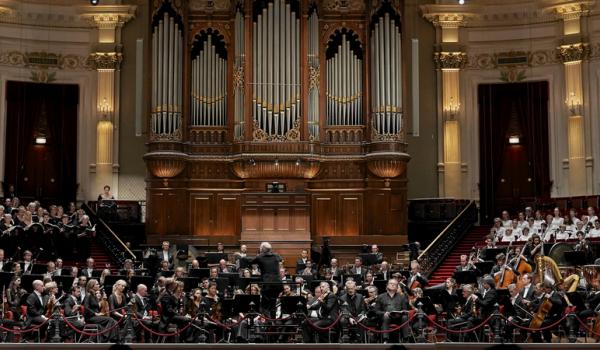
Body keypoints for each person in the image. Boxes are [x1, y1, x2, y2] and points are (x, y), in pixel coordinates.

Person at [374, 278, 410, 343]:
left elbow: (405, 310)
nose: (393, 285)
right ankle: (386, 339)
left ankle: (405, 339)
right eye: (391, 283)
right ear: (387, 285)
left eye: (395, 284)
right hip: (386, 318)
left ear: (397, 287)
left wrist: (401, 312)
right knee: (386, 316)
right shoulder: (380, 296)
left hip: (399, 318)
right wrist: (384, 313)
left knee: (405, 317)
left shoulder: (402, 297)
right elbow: (376, 311)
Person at [251, 242, 282, 317]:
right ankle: (273, 322)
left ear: (262, 249)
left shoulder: (260, 257)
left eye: (260, 248)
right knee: (273, 304)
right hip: (278, 284)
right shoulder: (277, 255)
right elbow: (280, 259)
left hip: (267, 285)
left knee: (264, 306)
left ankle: (269, 322)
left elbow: (251, 261)